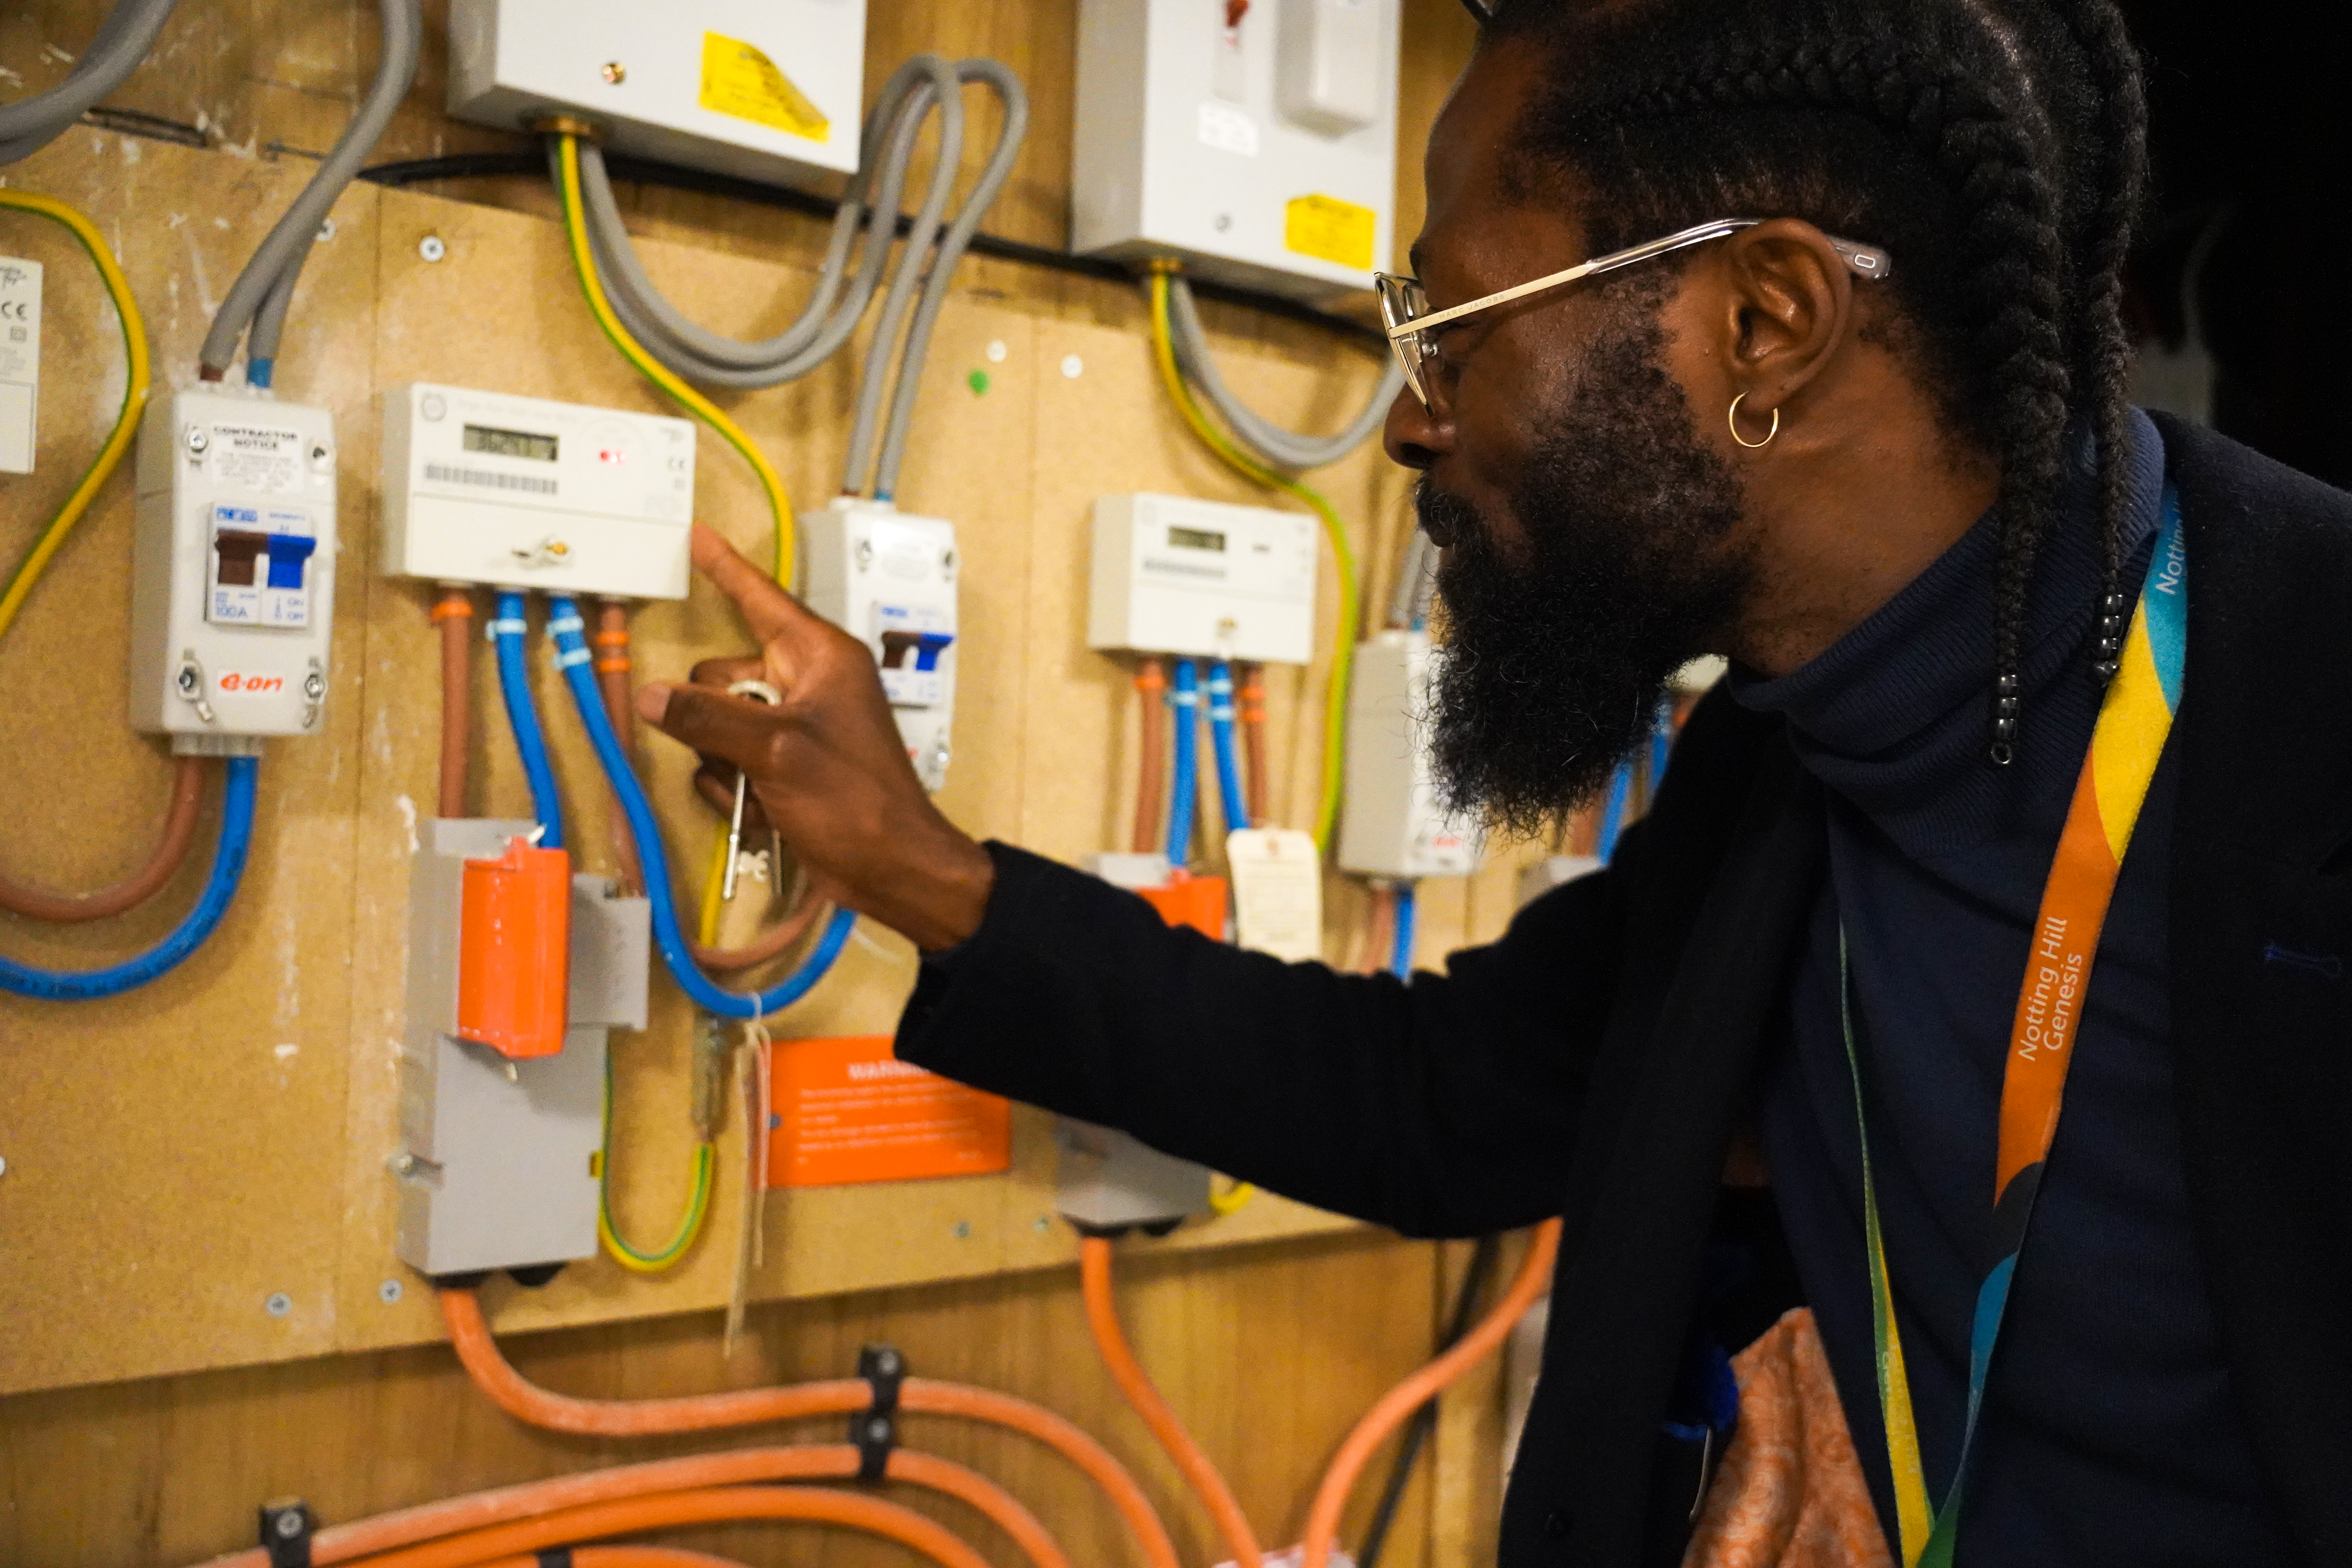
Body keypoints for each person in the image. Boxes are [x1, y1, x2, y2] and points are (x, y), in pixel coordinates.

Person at [635, 1, 2352, 1563]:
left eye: (1451, 324)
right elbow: (1442, 1099)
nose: (1409, 416)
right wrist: (918, 866)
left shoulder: (2303, 685)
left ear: (1768, 320)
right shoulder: (1785, 755)